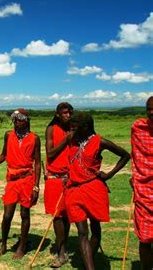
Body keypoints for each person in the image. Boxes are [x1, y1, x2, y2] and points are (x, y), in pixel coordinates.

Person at [65, 112, 130, 270]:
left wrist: (109, 175)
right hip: (73, 189)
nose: (71, 130)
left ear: (86, 126)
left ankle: (88, 259)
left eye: (75, 127)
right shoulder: (72, 140)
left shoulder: (99, 141)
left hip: (93, 189)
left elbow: (125, 155)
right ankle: (90, 266)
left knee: (95, 229)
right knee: (82, 231)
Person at [0, 108, 41, 259]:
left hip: (27, 179)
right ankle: (4, 243)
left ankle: (21, 246)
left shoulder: (34, 138)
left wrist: (36, 186)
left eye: (20, 119)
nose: (17, 122)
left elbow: (38, 163)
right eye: (15, 119)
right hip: (12, 180)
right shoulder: (8, 135)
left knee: (24, 214)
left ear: (27, 120)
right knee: (7, 215)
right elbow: (4, 155)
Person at [44, 102, 73, 267]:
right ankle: (61, 251)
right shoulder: (51, 129)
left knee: (67, 215)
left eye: (70, 112)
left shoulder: (74, 129)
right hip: (55, 178)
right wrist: (66, 140)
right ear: (57, 115)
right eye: (64, 113)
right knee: (57, 215)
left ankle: (64, 246)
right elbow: (50, 153)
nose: (68, 115)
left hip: (71, 178)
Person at [131, 96, 153, 270]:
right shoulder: (138, 128)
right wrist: (136, 177)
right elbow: (136, 157)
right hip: (144, 190)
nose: (151, 112)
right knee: (145, 238)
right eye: (148, 109)